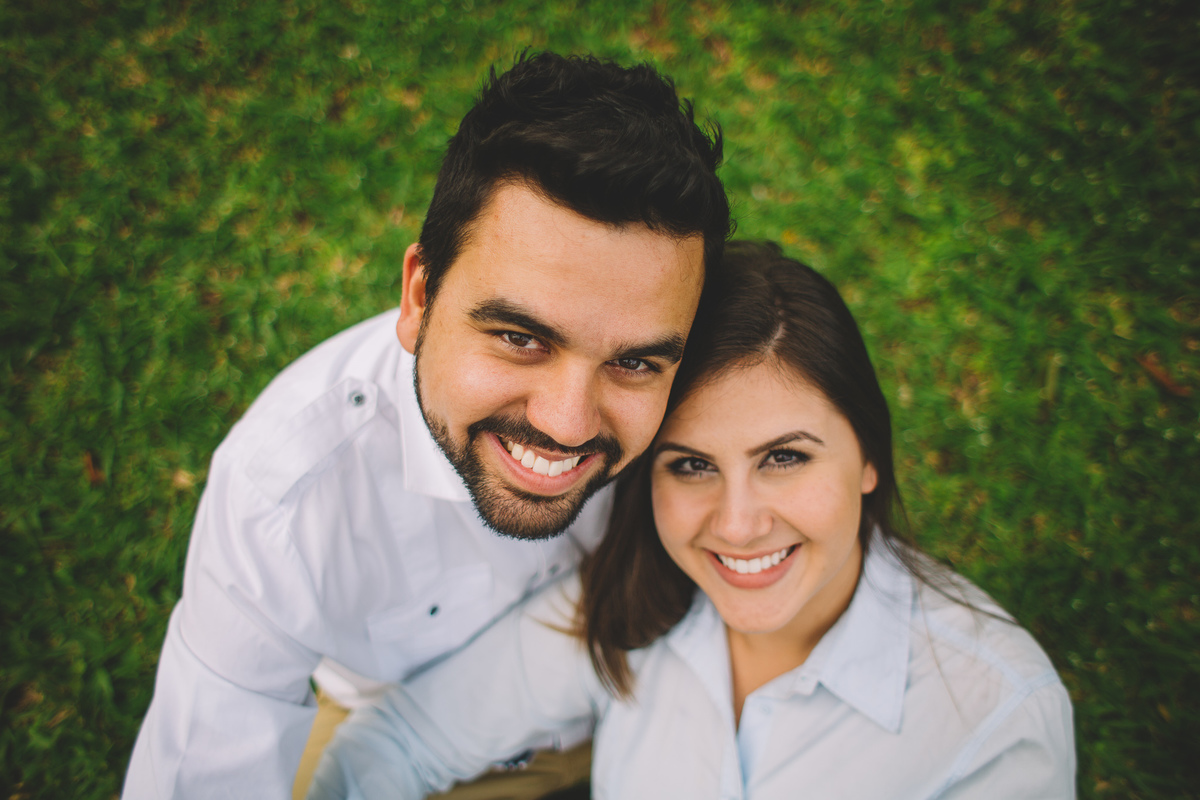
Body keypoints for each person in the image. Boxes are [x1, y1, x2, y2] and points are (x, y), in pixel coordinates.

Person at [122, 51, 730, 799]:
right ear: (419, 295)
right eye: (519, 338)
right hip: (393, 750)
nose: (569, 423)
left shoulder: (714, 397)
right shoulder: (281, 499)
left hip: (641, 717)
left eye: (635, 363)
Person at [307, 241, 1077, 799]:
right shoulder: (633, 598)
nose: (737, 526)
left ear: (869, 458)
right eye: (692, 466)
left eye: (785, 458)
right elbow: (403, 740)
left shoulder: (995, 717)